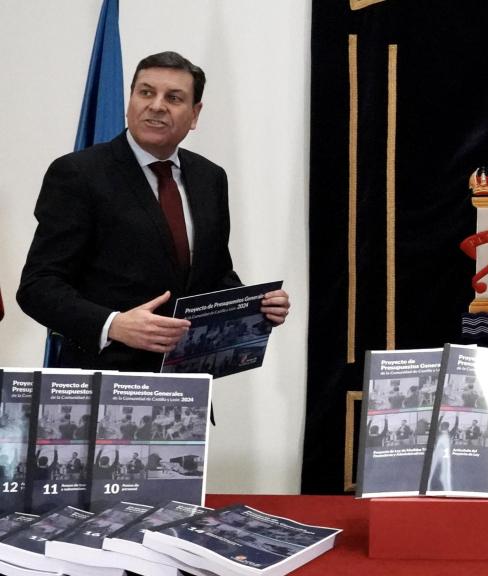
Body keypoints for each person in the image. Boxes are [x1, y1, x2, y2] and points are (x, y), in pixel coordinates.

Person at [17, 51, 290, 372]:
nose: (157, 105)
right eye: (146, 92)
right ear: (130, 99)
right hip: (100, 383)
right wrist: (113, 324)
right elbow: (38, 286)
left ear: (194, 114)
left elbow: (213, 276)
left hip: (187, 385)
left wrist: (256, 305)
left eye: (174, 98)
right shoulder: (79, 173)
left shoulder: (210, 178)